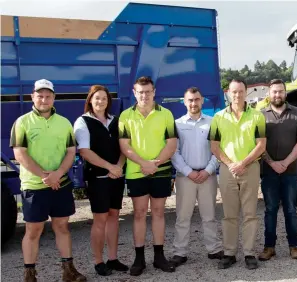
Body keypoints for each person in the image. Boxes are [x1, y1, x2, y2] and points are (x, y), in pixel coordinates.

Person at [11, 79, 86, 282]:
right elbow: (20, 154)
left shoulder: (64, 122)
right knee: (33, 230)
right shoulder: (22, 122)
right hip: (35, 186)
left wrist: (58, 174)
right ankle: (29, 275)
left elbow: (71, 152)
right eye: (40, 95)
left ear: (54, 98)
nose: (44, 99)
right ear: (32, 97)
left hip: (60, 184)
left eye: (48, 96)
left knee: (62, 227)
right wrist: (45, 176)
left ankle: (68, 271)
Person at [118, 76, 178, 276]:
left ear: (154, 92)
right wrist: (144, 164)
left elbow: (171, 143)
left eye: (148, 91)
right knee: (139, 214)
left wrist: (155, 164)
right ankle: (139, 258)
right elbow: (124, 146)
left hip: (160, 171)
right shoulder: (126, 116)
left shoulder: (166, 114)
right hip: (136, 172)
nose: (144, 95)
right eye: (140, 92)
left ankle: (159, 257)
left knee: (159, 213)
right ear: (134, 93)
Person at [208, 79, 267, 270]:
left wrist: (243, 163)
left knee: (250, 214)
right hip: (227, 169)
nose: (237, 95)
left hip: (250, 168)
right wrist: (232, 164)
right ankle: (229, 253)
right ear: (228, 94)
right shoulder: (218, 118)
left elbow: (261, 144)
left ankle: (249, 253)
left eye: (241, 91)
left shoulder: (257, 116)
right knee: (229, 214)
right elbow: (214, 147)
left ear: (245, 93)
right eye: (234, 92)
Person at [74, 85, 129, 276]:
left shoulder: (116, 121)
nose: (100, 102)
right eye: (97, 98)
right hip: (97, 178)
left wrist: (119, 167)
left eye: (104, 98)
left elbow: (124, 148)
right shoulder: (83, 122)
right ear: (90, 100)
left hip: (116, 177)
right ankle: (98, 261)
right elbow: (85, 152)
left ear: (108, 101)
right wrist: (109, 167)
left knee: (114, 216)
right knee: (100, 219)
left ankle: (112, 259)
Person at [169, 87, 224, 266]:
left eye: (197, 99)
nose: (194, 103)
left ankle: (214, 249)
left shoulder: (212, 122)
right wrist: (188, 171)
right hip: (185, 177)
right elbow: (173, 152)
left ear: (202, 101)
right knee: (183, 217)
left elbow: (218, 150)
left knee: (209, 215)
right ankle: (180, 252)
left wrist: (208, 170)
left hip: (207, 176)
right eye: (190, 100)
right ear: (184, 102)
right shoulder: (177, 124)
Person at [258, 79, 297, 261]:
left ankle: (294, 246)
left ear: (285, 93)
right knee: (270, 209)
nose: (277, 95)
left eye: (280, 91)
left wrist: (285, 163)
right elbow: (259, 145)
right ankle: (269, 247)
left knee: (290, 209)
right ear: (269, 94)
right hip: (269, 172)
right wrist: (271, 163)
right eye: (274, 92)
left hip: (290, 170)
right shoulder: (261, 115)